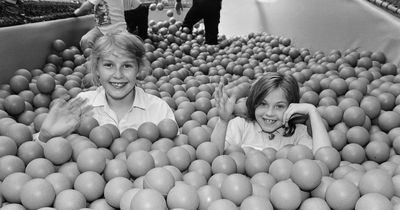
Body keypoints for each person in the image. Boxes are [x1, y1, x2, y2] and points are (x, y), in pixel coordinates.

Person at [37, 32, 176, 143]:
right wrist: (45, 136)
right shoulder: (80, 107)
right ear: (96, 69)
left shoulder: (159, 110)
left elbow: (174, 153)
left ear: (138, 69)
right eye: (109, 65)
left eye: (127, 66)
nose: (118, 75)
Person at [210, 72, 332, 155]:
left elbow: (325, 160)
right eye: (263, 104)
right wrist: (223, 121)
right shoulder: (241, 125)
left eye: (279, 106)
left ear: (292, 107)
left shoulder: (299, 133)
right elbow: (213, 155)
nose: (269, 113)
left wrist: (312, 111)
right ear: (254, 103)